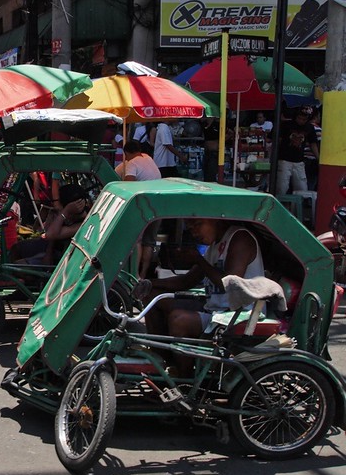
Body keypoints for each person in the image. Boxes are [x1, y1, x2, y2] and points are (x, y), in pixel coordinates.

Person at [142, 219, 264, 375]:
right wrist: (150, 284)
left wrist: (199, 260)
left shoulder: (240, 238)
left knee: (179, 320)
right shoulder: (215, 245)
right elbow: (187, 281)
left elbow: (228, 283)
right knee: (153, 299)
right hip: (215, 309)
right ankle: (161, 364)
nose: (194, 233)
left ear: (215, 220)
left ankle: (183, 377)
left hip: (238, 314)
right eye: (191, 228)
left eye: (198, 225)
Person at [11, 184, 90, 265]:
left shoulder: (83, 221)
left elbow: (50, 234)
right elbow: (48, 234)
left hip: (63, 255)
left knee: (18, 266)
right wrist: (49, 253)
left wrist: (65, 211)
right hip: (51, 247)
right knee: (16, 248)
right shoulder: (66, 216)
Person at [115, 140, 161, 277]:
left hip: (143, 207)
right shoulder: (148, 158)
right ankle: (144, 274)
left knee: (137, 240)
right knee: (149, 242)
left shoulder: (131, 163)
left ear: (127, 153)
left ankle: (135, 275)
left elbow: (129, 187)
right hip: (158, 205)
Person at [277, 105, 319, 195]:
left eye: (304, 119)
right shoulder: (286, 125)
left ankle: (297, 207)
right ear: (296, 117)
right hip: (284, 160)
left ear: (307, 119)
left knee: (302, 188)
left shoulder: (310, 128)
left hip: (299, 161)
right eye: (299, 118)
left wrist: (318, 158)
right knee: (281, 187)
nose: (301, 121)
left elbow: (313, 143)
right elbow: (278, 141)